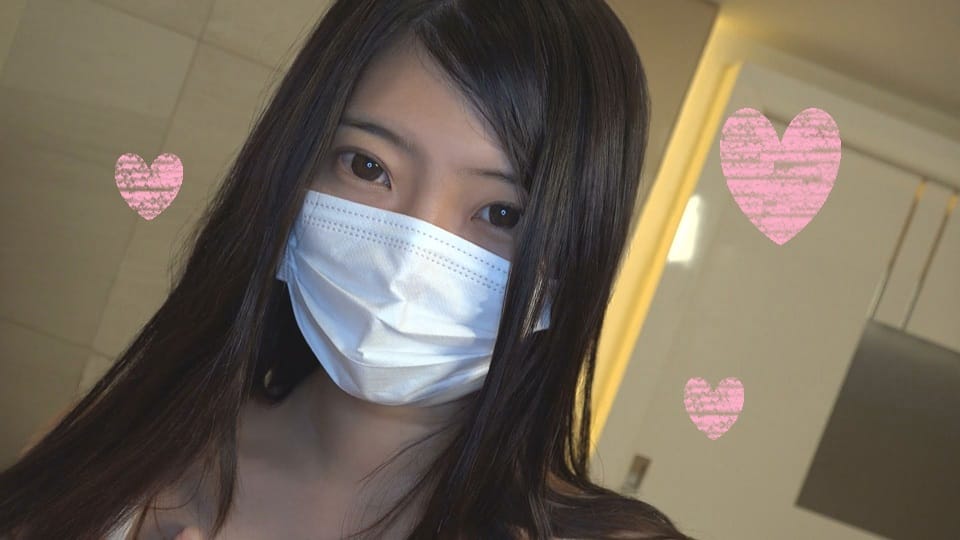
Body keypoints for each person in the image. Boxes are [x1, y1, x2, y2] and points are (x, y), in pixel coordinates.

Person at [0, 1, 697, 538]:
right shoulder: (106, 456)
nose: (406, 260)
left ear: (572, 258)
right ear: (294, 166)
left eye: (501, 213)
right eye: (368, 167)